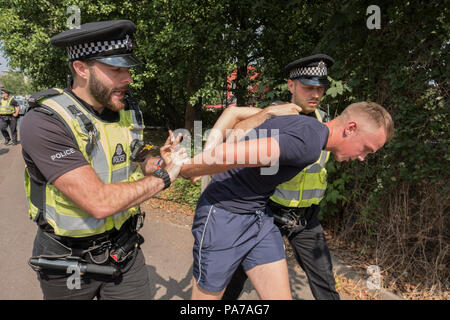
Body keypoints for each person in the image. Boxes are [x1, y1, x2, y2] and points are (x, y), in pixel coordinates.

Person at [21, 20, 187, 300]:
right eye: (116, 69)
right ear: (81, 68)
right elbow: (99, 202)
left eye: (128, 69)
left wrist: (161, 161)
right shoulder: (45, 121)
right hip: (67, 263)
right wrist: (165, 177)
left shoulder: (126, 108)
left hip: (124, 250)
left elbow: (138, 158)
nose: (128, 79)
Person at [179, 96, 394, 300]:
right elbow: (233, 155)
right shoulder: (308, 143)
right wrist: (185, 169)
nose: (363, 157)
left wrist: (267, 112)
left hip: (259, 216)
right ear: (351, 128)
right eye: (365, 148)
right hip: (224, 214)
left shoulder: (309, 127)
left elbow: (236, 121)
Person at [213, 54, 341, 300]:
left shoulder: (325, 123)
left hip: (306, 218)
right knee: (236, 276)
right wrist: (267, 114)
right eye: (308, 87)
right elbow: (236, 136)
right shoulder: (275, 116)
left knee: (325, 283)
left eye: (320, 88)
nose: (315, 94)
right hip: (268, 212)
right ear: (291, 85)